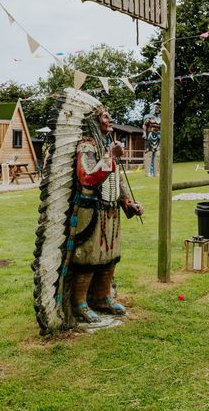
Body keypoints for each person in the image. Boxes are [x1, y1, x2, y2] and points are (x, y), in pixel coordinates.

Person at [69, 106, 144, 324]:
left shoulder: (106, 145)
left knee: (110, 257)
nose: (109, 118)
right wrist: (110, 155)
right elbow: (87, 178)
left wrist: (128, 203)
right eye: (104, 116)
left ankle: (102, 297)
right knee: (89, 257)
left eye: (109, 114)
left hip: (110, 211)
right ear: (93, 122)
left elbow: (116, 180)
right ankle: (79, 303)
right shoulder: (87, 146)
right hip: (90, 211)